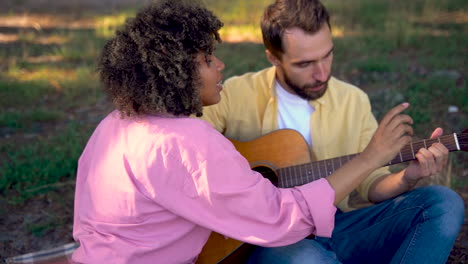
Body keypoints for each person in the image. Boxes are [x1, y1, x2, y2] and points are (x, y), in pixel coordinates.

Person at [71, 1, 432, 263]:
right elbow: (283, 217)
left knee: (437, 204)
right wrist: (371, 157)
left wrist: (403, 175)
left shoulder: (114, 124)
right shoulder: (191, 142)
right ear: (178, 74)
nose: (220, 64)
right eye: (209, 60)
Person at [200, 0, 465, 263]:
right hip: (268, 240)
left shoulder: (353, 101)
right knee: (305, 257)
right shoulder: (233, 95)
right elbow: (185, 153)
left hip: (340, 226)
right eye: (304, 64)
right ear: (273, 57)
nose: (322, 73)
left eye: (327, 55)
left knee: (442, 203)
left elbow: (371, 185)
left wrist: (408, 178)